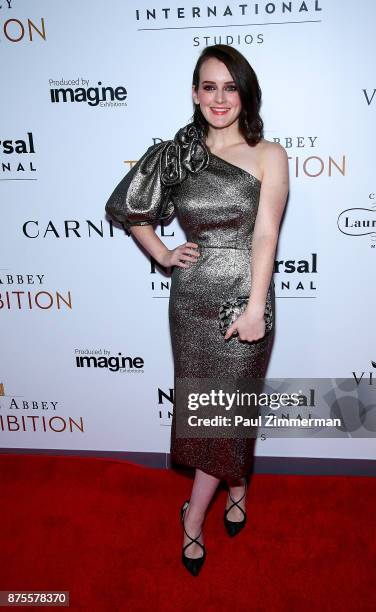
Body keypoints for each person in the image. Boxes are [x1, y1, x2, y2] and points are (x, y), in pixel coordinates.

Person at [105, 44, 289, 576]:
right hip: (192, 301)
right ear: (194, 93)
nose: (219, 98)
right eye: (209, 87)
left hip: (246, 298)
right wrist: (163, 253)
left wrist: (256, 307)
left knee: (230, 412)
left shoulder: (268, 154)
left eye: (230, 87)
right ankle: (236, 486)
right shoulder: (176, 154)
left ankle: (192, 516)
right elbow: (127, 207)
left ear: (245, 93)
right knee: (209, 412)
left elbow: (266, 234)